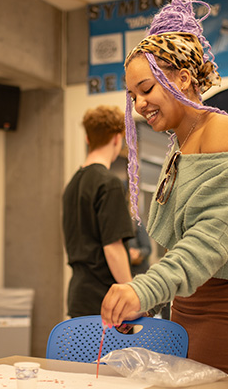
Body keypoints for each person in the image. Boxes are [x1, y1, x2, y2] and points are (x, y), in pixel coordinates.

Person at [100, 0, 228, 378]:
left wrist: (143, 289)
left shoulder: (222, 132)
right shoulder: (179, 147)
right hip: (188, 305)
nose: (139, 104)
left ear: (182, 77)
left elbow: (208, 242)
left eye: (146, 88)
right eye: (133, 95)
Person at [62, 105, 134, 318]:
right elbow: (113, 248)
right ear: (116, 139)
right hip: (106, 301)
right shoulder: (109, 183)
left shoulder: (72, 184)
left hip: (79, 297)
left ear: (88, 139)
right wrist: (132, 293)